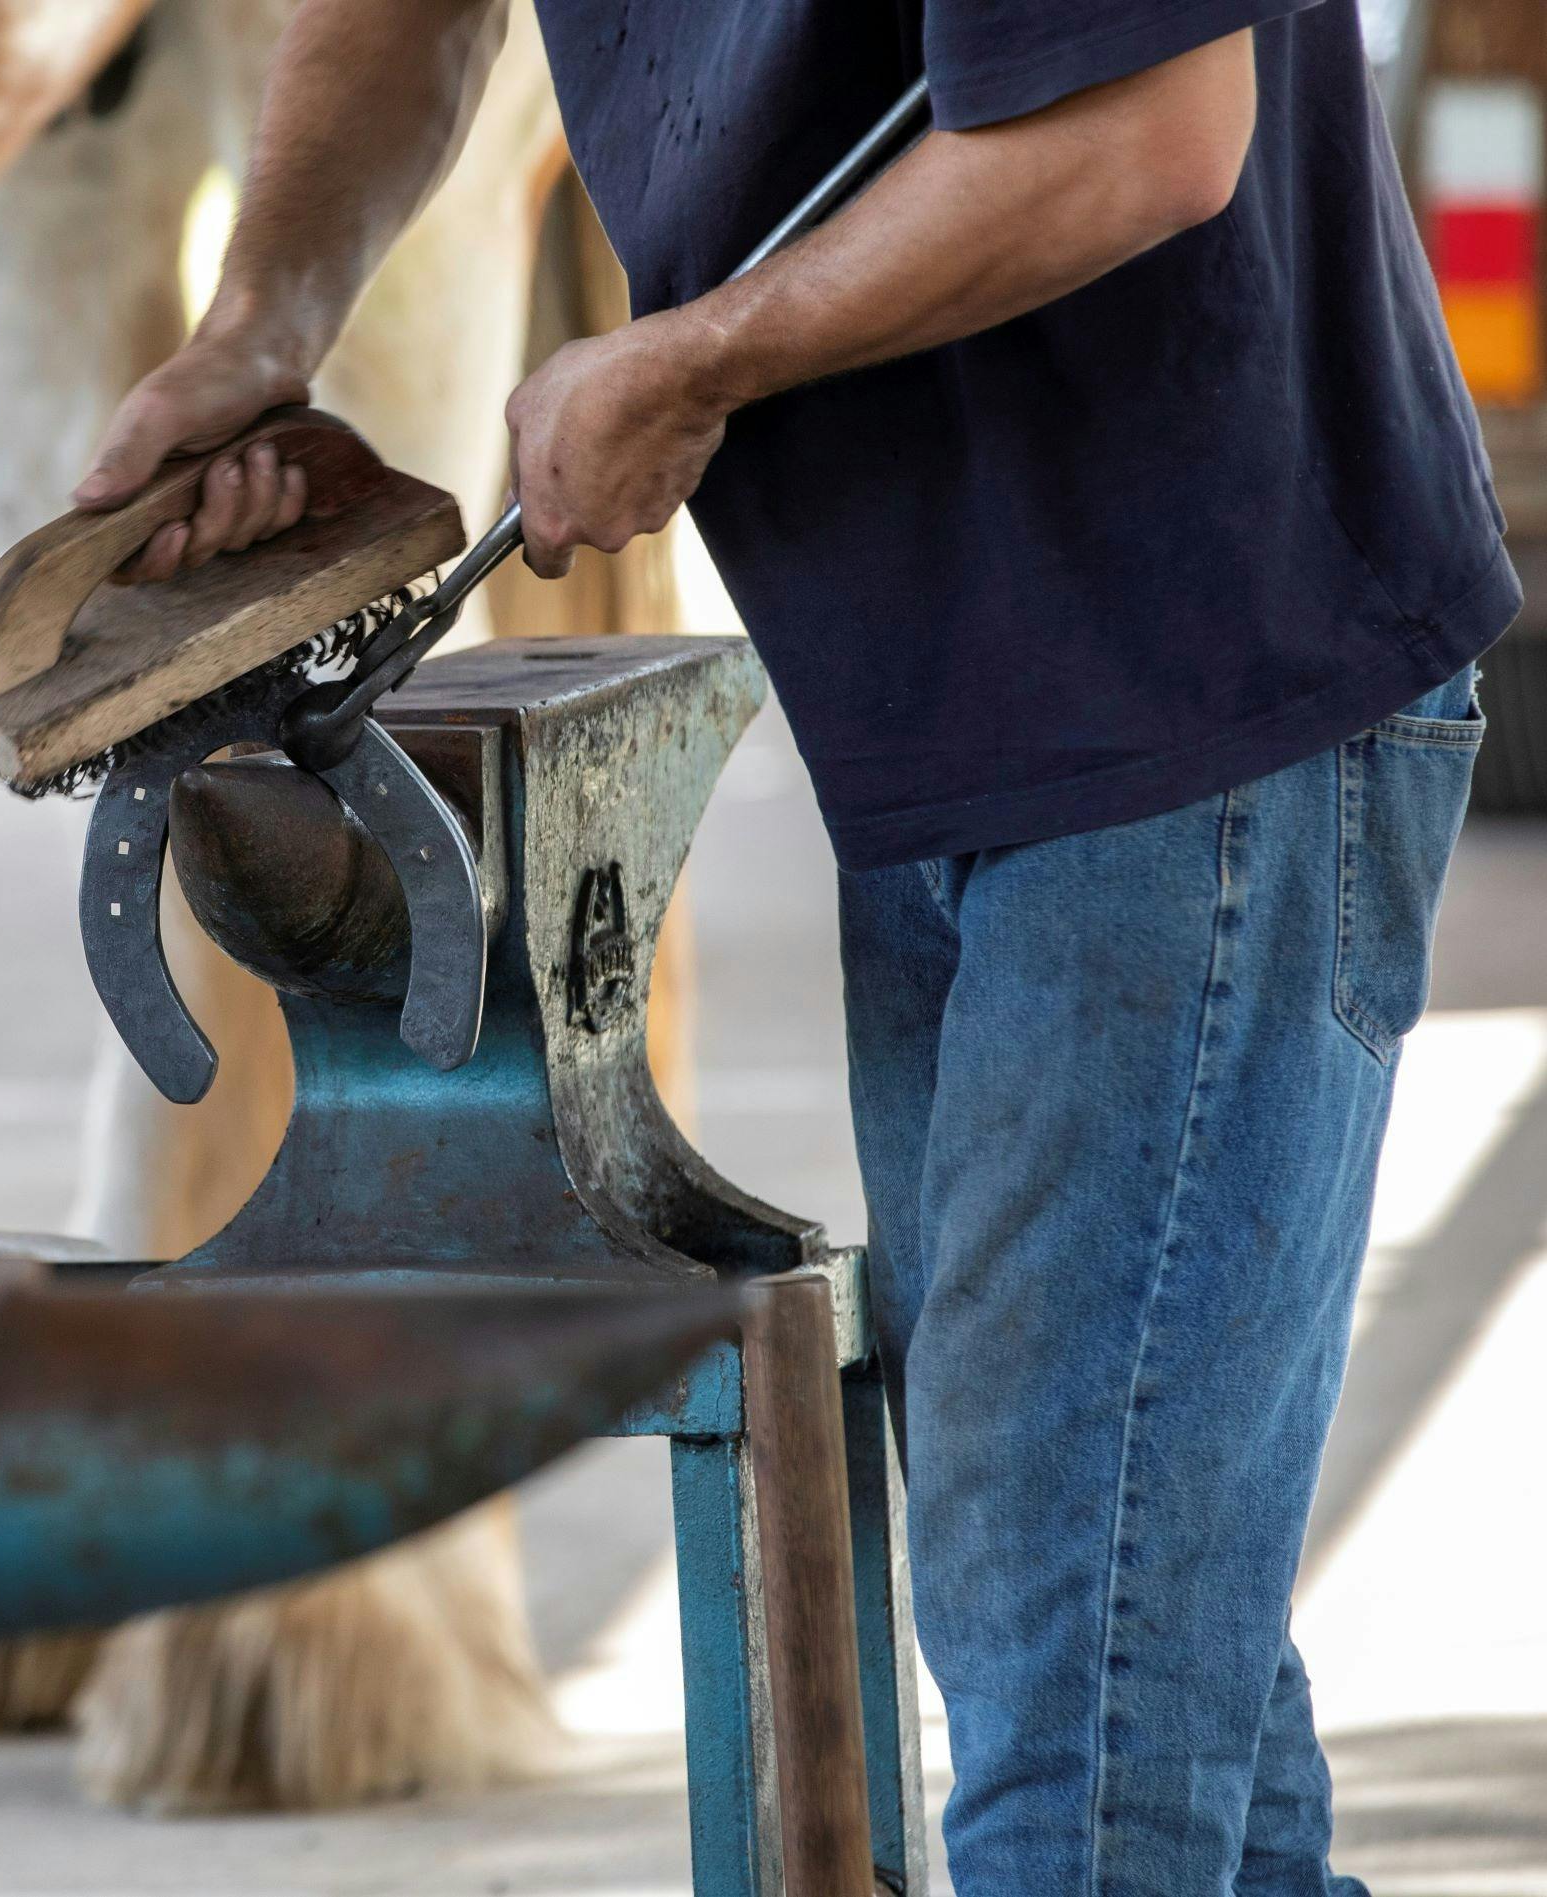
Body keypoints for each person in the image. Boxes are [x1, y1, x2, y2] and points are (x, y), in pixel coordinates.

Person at [73, 2, 1515, 1890]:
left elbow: (1151, 130)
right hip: (950, 710)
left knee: (1072, 1727)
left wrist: (699, 360)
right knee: (1117, 1626)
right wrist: (265, 320)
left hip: (1201, 691)